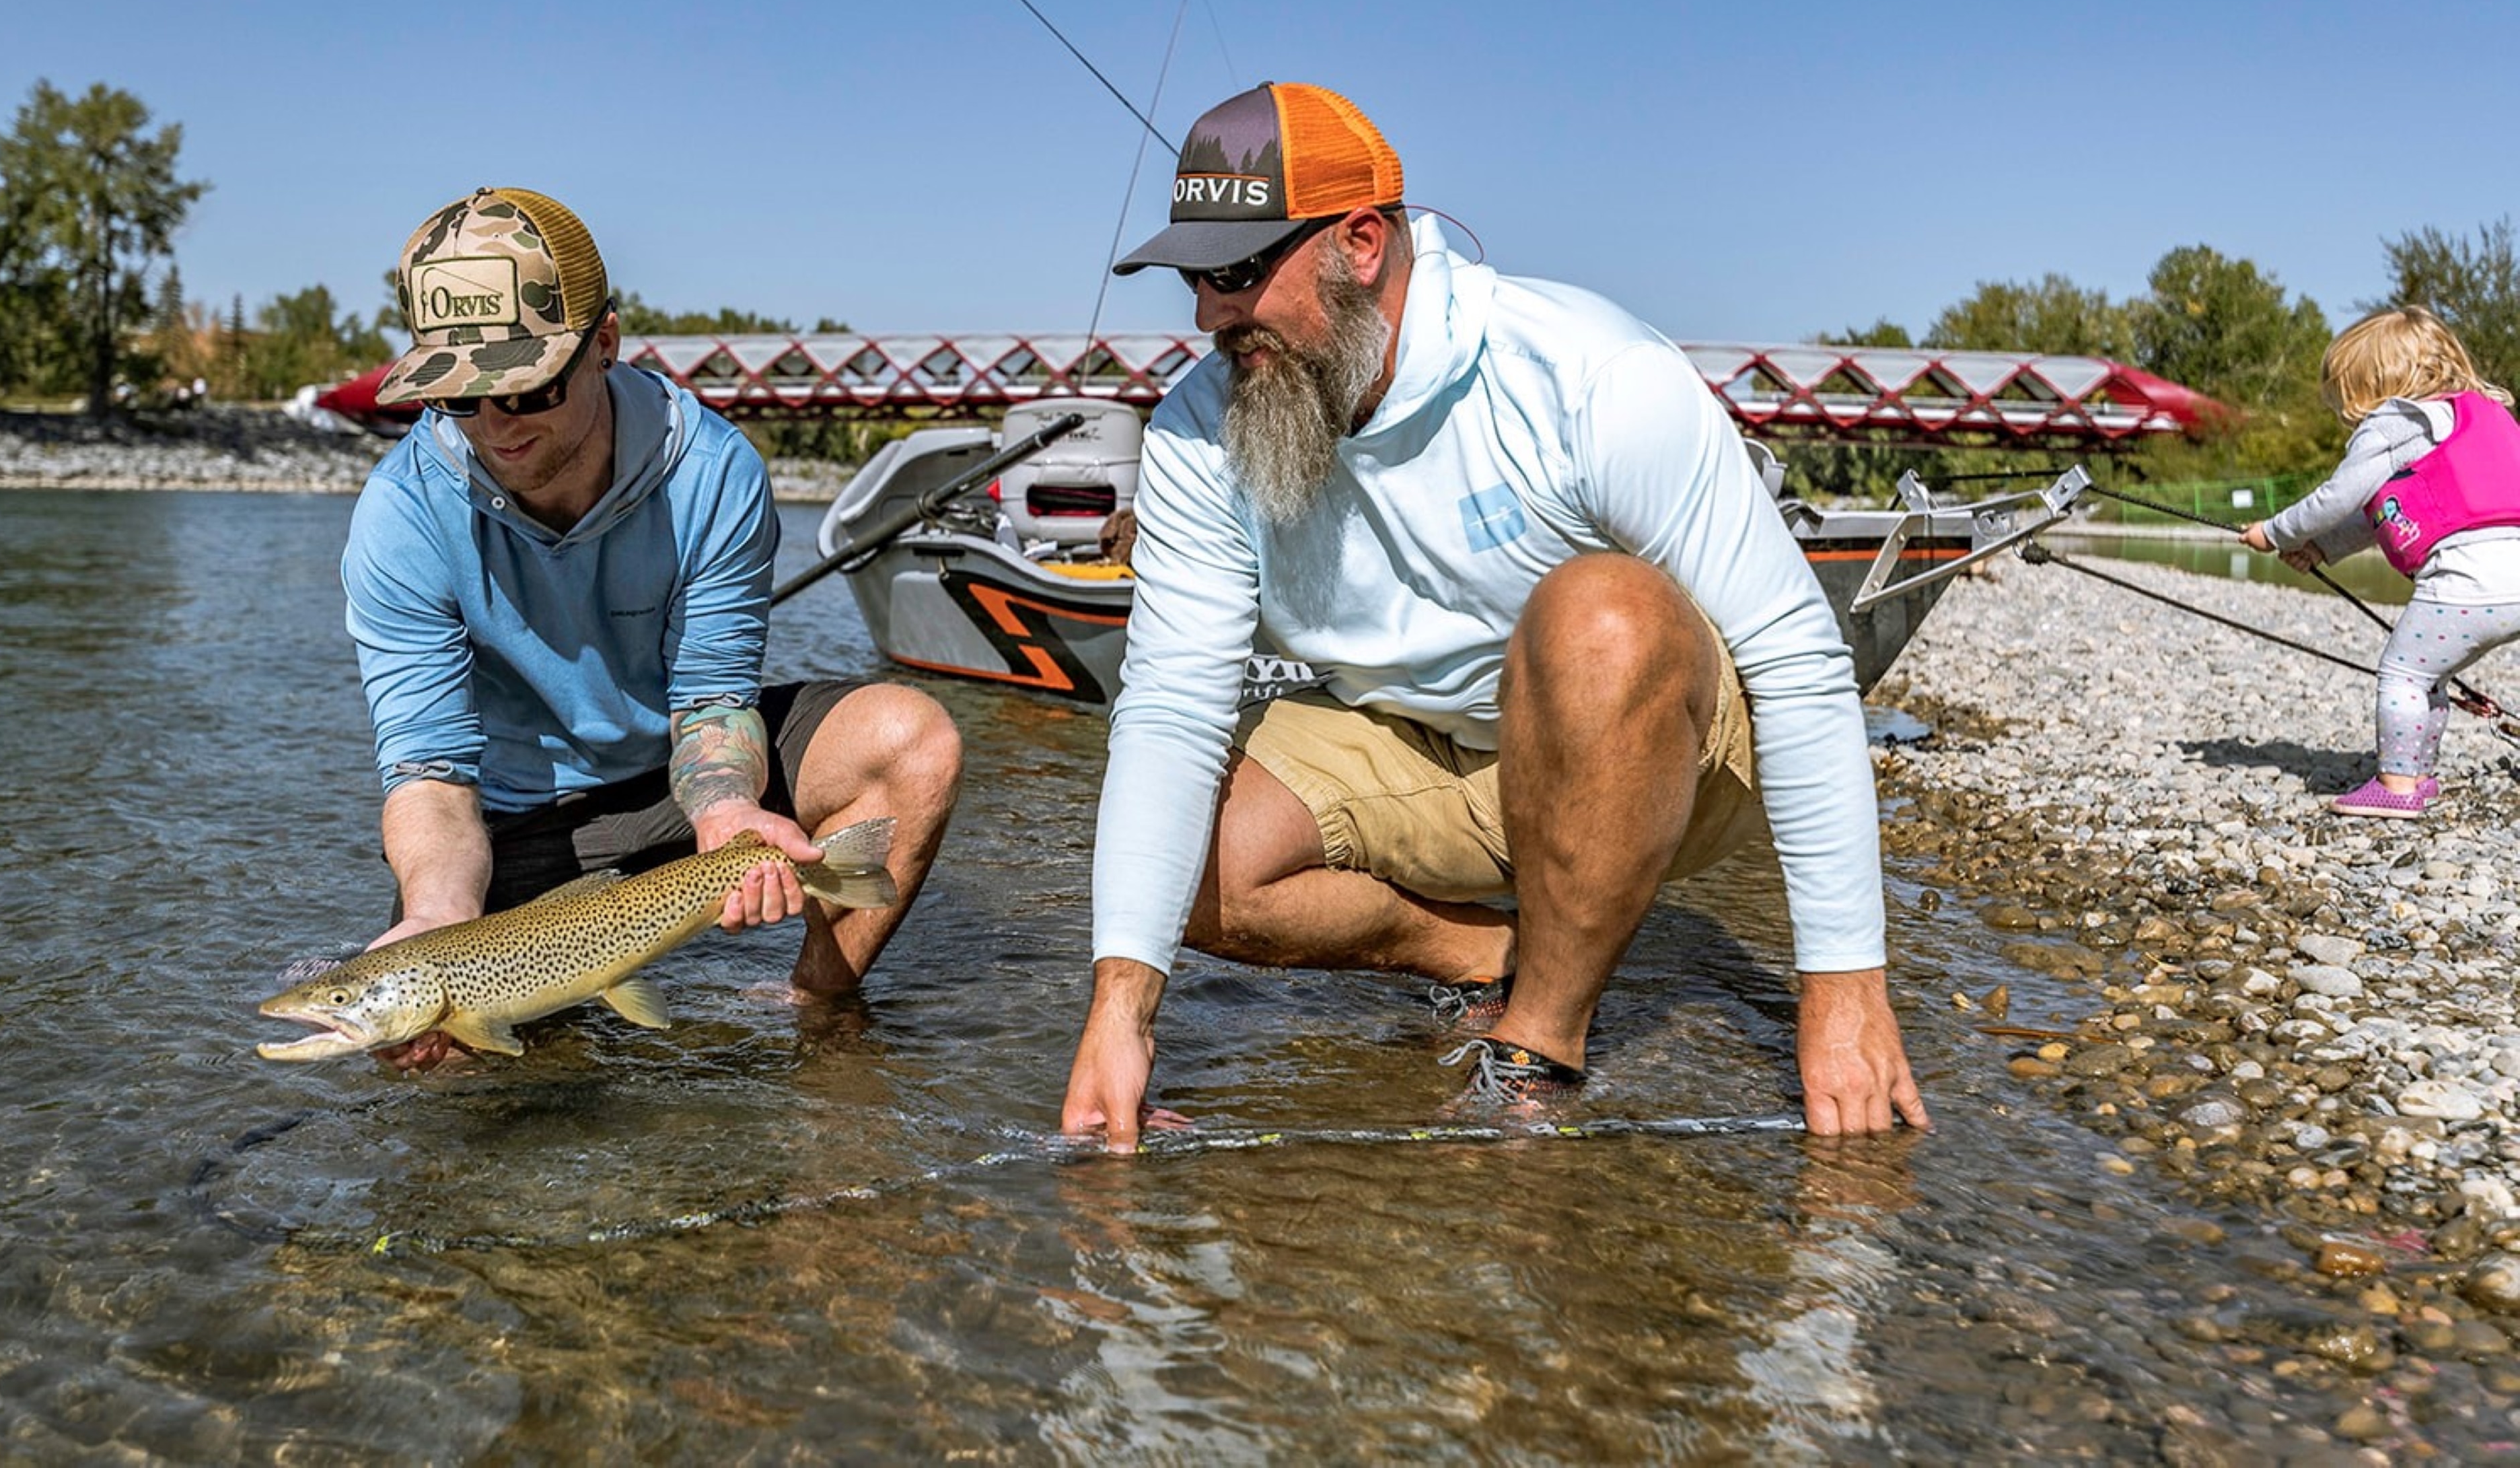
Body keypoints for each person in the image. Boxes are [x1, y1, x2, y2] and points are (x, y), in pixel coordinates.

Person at [1058, 83, 1927, 1148]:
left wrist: (1840, 986)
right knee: (1160, 871)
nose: (1206, 316)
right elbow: (1167, 712)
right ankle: (1478, 949)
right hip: (1415, 745)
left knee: (1602, 614)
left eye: (1237, 275)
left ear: (1360, 244)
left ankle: (1539, 1037)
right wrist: (1118, 1012)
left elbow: (1797, 658)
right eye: (1193, 277)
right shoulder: (1200, 430)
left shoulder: (1587, 375)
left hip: (1649, 754)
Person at [342, 186, 962, 1065]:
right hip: (519, 821)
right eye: (457, 399)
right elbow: (432, 775)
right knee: (445, 1074)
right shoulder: (400, 513)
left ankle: (816, 1010)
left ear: (604, 344)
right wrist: (437, 922)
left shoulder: (713, 471)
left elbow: (711, 697)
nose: (493, 428)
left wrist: (728, 812)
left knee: (913, 741)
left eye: (525, 390)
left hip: (681, 781)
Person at [2240, 306, 2520, 818]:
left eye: (2342, 396)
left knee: (2401, 675)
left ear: (2370, 384)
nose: (2344, 411)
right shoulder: (2475, 414)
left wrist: (2273, 532)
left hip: (2464, 581)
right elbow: (2382, 514)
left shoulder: (2394, 421)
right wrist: (2322, 549)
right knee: (2428, 675)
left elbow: (2336, 496)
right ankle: (2418, 774)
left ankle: (2396, 787)